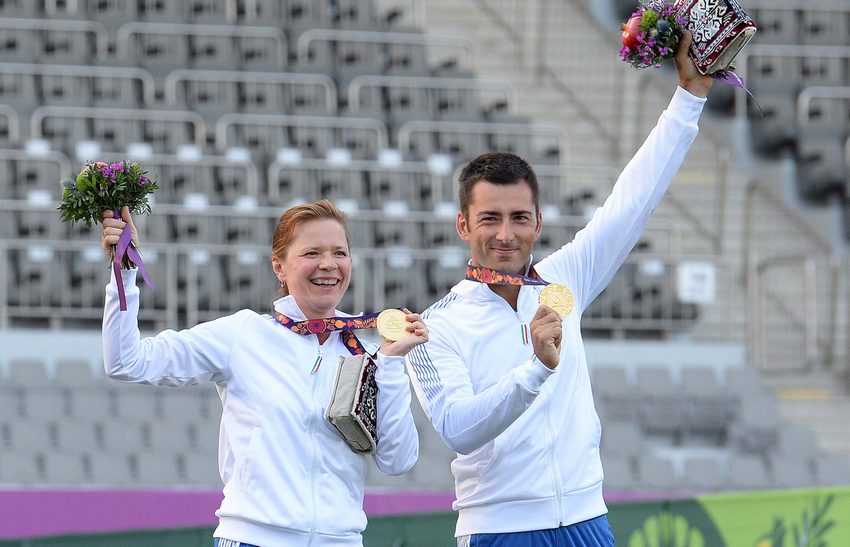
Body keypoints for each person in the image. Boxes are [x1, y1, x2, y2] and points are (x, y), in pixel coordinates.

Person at [405, 32, 714, 545]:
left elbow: (633, 201)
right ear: (463, 225)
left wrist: (690, 95)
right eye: (490, 219)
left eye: (519, 218)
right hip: (502, 529)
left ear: (539, 222)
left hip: (588, 522)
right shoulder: (435, 326)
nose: (505, 234)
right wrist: (536, 370)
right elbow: (457, 428)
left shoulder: (563, 279)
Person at [100, 199, 425, 546]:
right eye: (311, 253)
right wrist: (124, 271)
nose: (328, 264)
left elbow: (398, 460)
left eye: (339, 252)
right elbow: (127, 361)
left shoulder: (365, 354)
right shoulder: (243, 335)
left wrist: (391, 363)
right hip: (253, 538)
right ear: (280, 267)